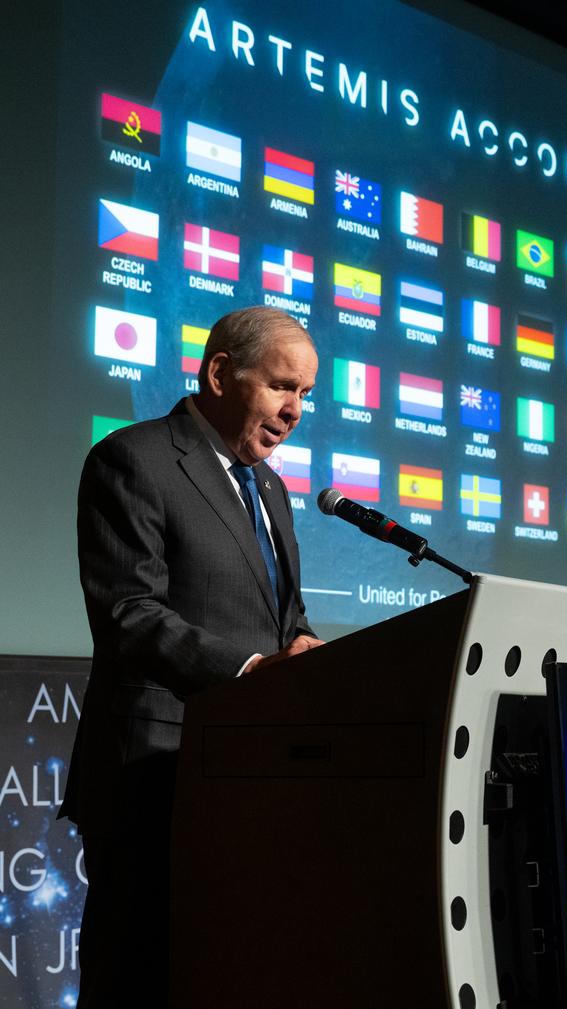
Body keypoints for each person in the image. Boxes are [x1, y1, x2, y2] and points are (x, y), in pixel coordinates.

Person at [61, 306, 323, 1008]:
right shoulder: (134, 459)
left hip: (248, 775)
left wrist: (304, 651)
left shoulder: (270, 488)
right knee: (140, 977)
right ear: (219, 373)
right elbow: (129, 614)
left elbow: (283, 618)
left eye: (305, 394)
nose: (296, 409)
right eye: (281, 386)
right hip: (156, 774)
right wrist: (249, 670)